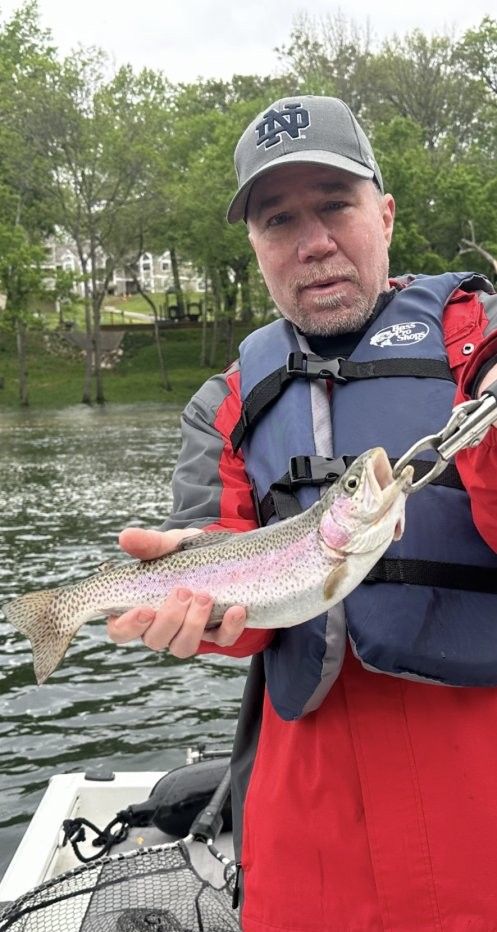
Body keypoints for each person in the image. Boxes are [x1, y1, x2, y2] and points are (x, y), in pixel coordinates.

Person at [108, 96, 497, 931]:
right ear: (254, 249)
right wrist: (198, 606)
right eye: (279, 219)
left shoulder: (477, 337)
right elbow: (246, 620)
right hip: (307, 820)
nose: (312, 242)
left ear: (384, 214)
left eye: (334, 206)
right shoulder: (228, 400)